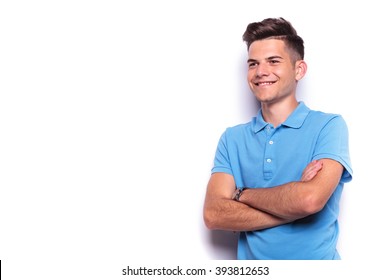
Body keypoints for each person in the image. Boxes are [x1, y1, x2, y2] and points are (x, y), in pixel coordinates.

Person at [203, 17, 353, 260]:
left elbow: (309, 199)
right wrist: (293, 205)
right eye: (253, 64)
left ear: (299, 69)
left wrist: (241, 195)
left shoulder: (328, 126)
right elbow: (213, 214)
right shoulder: (232, 138)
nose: (261, 72)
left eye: (273, 61)